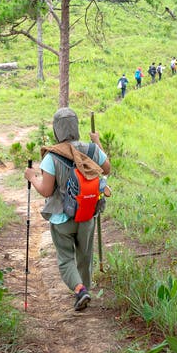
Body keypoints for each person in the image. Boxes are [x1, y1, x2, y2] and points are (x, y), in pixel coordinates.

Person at [23, 108, 112, 311]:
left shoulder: (51, 156)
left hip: (62, 219)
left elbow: (46, 191)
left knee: (65, 259)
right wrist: (96, 141)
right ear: (76, 125)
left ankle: (80, 290)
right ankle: (85, 289)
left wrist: (32, 177)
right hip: (87, 214)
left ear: (56, 130)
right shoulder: (90, 150)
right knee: (85, 255)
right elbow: (106, 169)